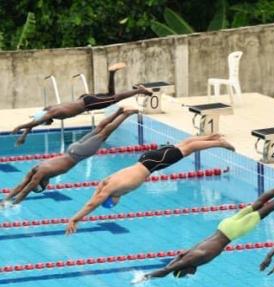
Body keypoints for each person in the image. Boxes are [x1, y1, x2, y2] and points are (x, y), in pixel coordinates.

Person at [137, 179, 274, 281]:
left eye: (185, 274)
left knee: (265, 210)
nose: (190, 274)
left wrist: (146, 277)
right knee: (258, 203)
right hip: (224, 225)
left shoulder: (191, 260)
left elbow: (167, 270)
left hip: (232, 232)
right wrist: (172, 265)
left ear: (184, 268)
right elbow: (175, 260)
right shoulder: (189, 254)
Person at [65, 134, 234, 234]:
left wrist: (75, 219)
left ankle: (218, 143)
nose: (117, 203)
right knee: (182, 145)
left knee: (186, 149)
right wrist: (95, 196)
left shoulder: (111, 189)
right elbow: (97, 191)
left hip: (152, 164)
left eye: (113, 204)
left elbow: (92, 203)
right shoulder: (108, 182)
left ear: (111, 199)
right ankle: (213, 137)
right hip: (146, 159)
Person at [3, 108, 137, 206]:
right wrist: (6, 200)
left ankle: (125, 114)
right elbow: (21, 185)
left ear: (41, 183)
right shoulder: (36, 168)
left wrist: (14, 204)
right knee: (99, 128)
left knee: (104, 133)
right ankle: (119, 111)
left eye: (44, 186)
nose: (47, 184)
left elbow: (26, 189)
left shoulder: (42, 174)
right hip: (72, 148)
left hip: (78, 154)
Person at [11, 63, 152, 146]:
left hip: (88, 104)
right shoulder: (49, 108)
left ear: (47, 119)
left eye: (45, 122)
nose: (45, 122)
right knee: (110, 94)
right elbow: (35, 121)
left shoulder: (54, 114)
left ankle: (140, 90)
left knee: (115, 98)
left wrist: (20, 127)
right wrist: (24, 134)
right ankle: (112, 73)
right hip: (85, 99)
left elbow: (35, 122)